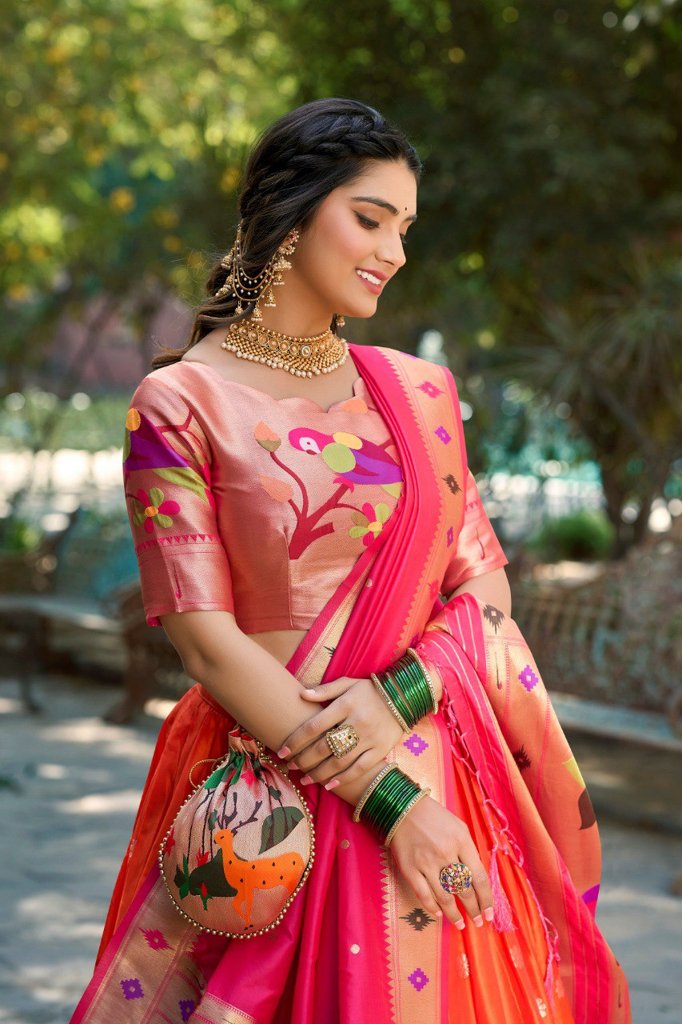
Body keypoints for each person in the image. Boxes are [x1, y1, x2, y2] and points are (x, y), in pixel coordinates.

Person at [70, 98, 630, 1024]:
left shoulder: (419, 393)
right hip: (267, 796)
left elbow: (482, 587)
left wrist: (395, 699)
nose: (395, 251)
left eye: (405, 229)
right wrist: (389, 799)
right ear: (289, 215)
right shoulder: (178, 403)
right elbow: (205, 643)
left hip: (432, 759)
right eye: (371, 219)